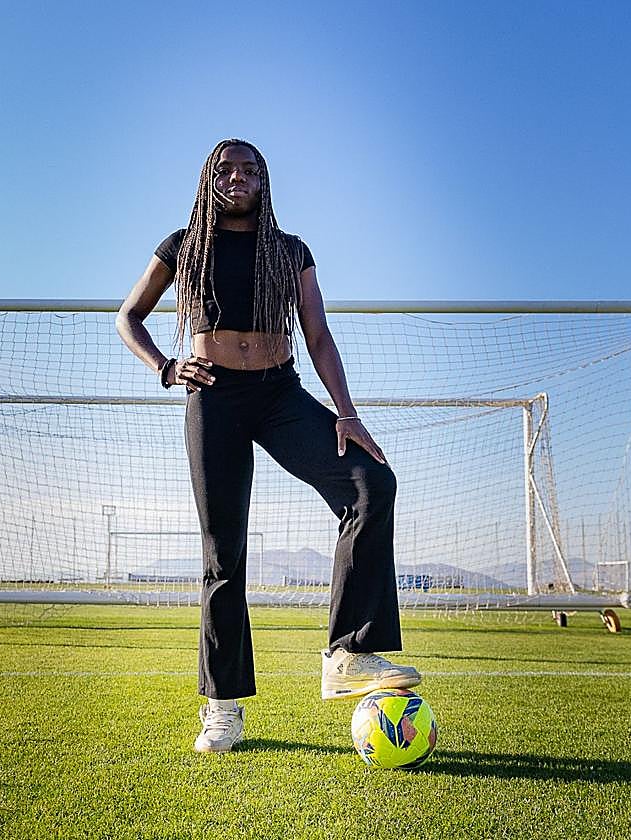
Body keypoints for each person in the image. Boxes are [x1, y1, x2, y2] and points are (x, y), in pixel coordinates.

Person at [115, 138, 420, 754]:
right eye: (226, 168)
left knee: (371, 485)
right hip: (213, 397)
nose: (238, 177)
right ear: (209, 178)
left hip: (281, 394)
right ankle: (222, 707)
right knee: (223, 553)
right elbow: (129, 317)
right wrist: (166, 368)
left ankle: (349, 653)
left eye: (250, 169)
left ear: (265, 182)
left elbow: (318, 334)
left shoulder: (290, 251)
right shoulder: (183, 246)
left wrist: (347, 413)